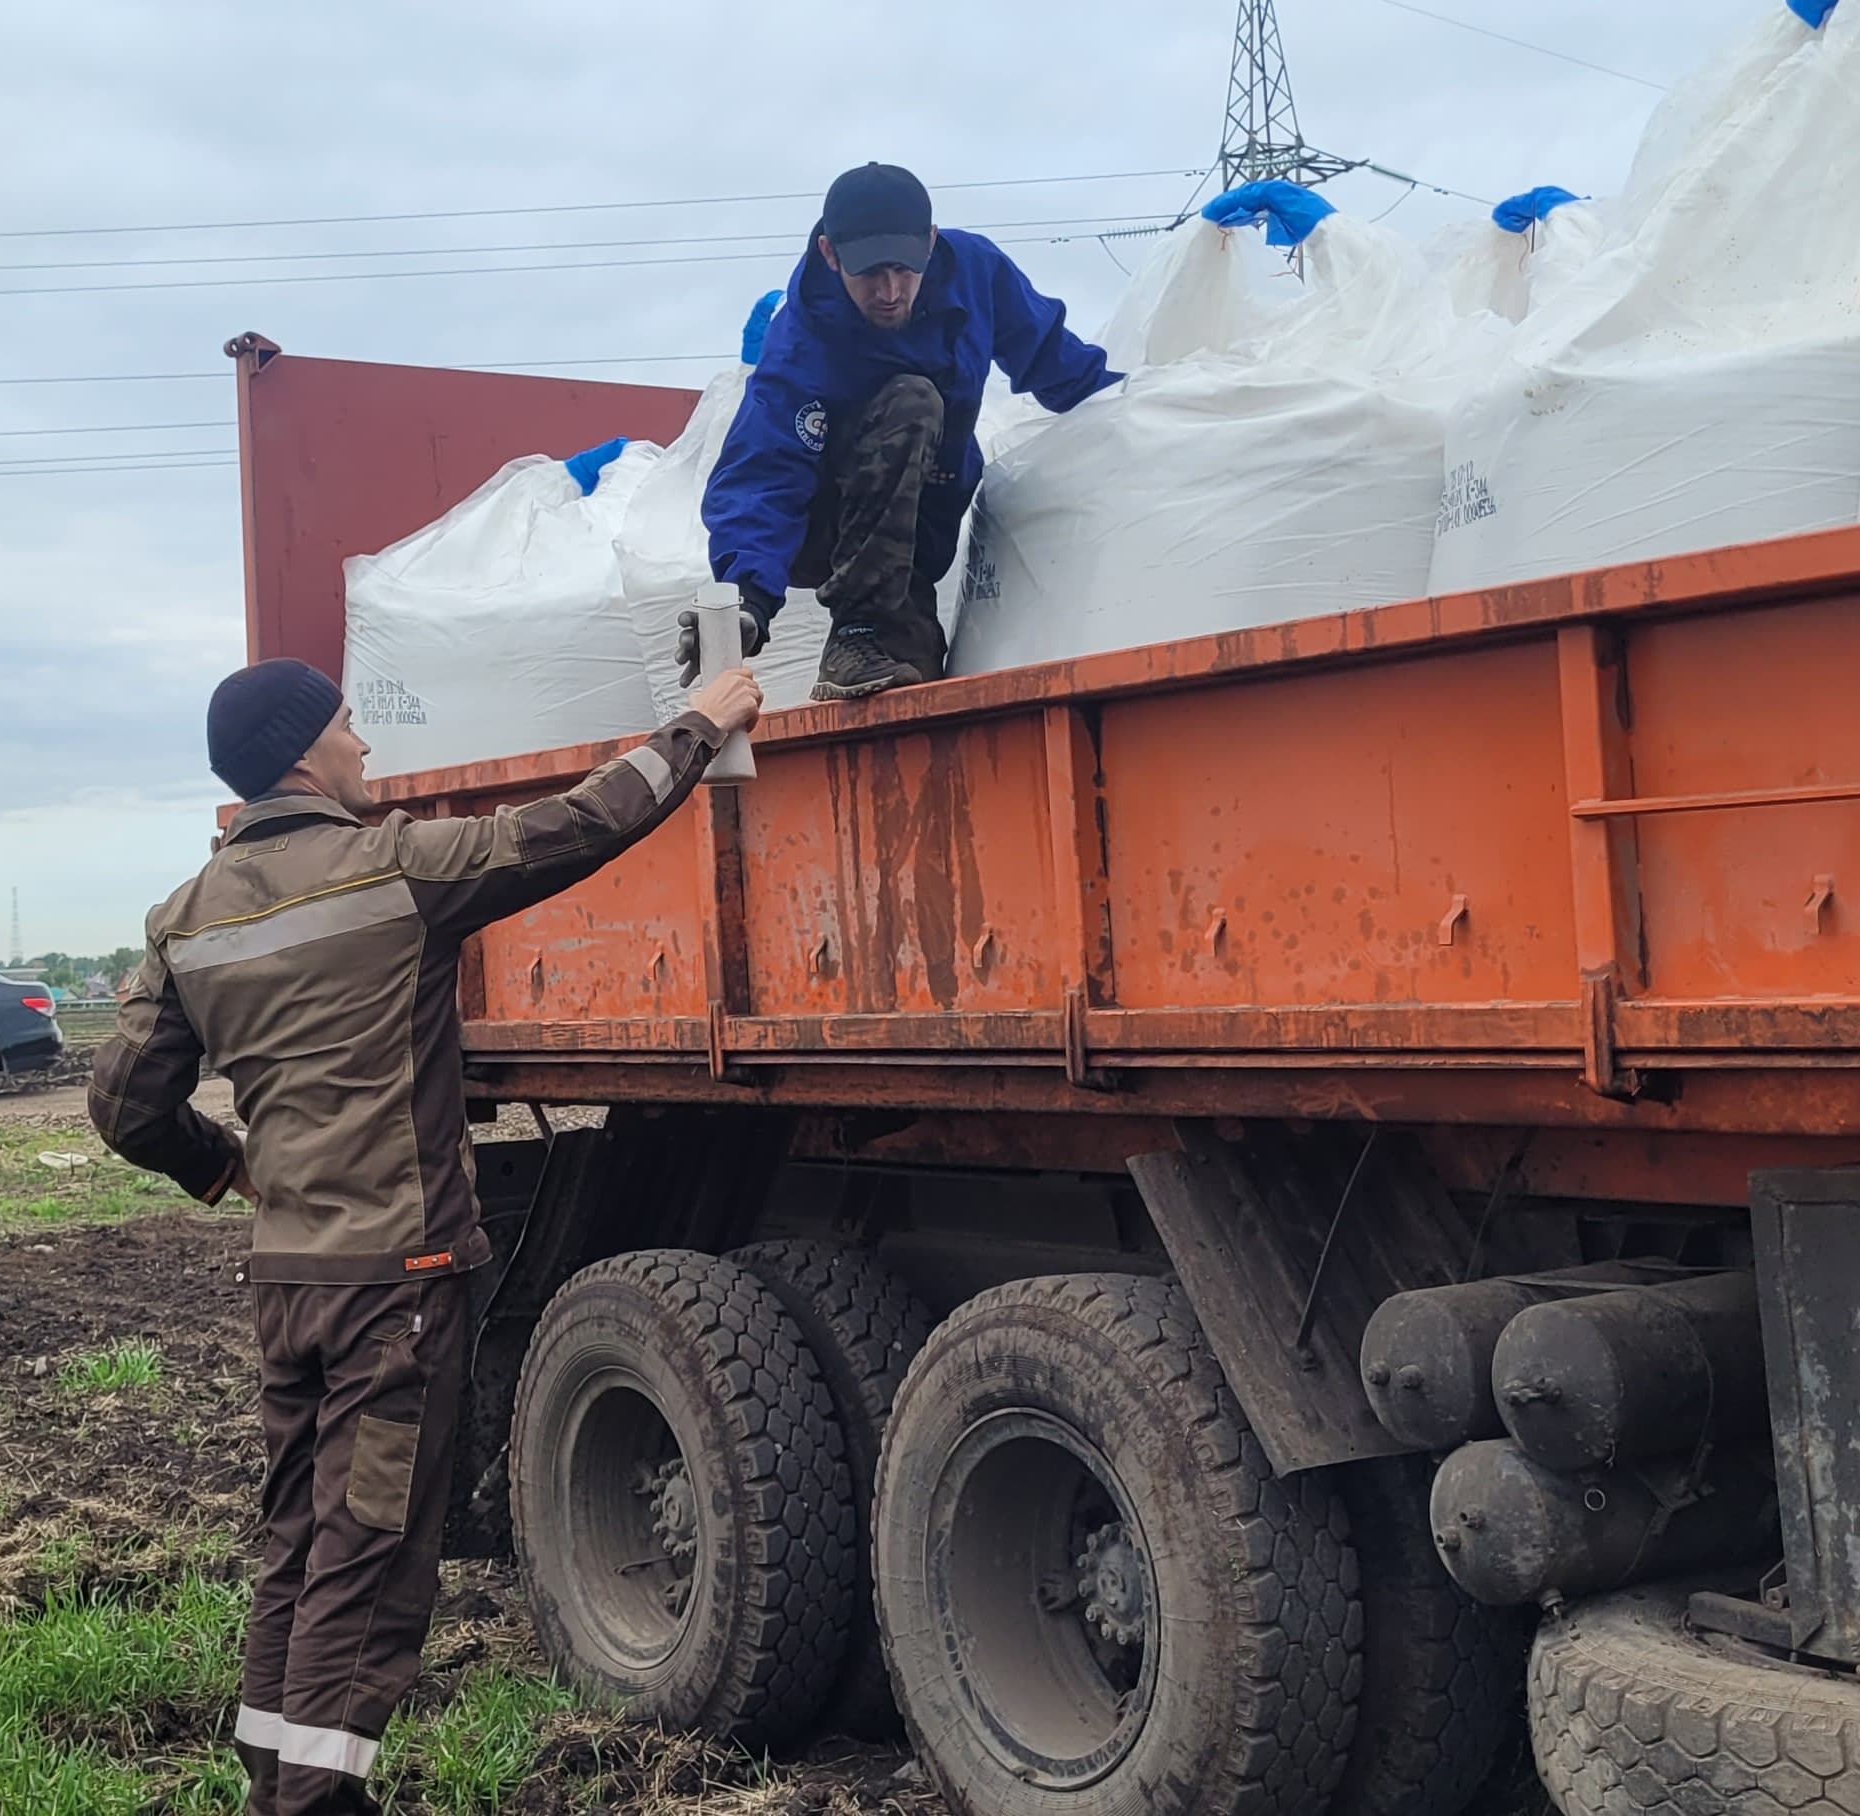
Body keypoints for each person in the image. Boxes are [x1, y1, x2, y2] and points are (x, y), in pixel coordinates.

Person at [86, 654, 767, 1816]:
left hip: (292, 1281)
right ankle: (316, 1802)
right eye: (350, 728)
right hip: (392, 1287)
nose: (365, 748)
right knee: (370, 1557)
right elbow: (576, 827)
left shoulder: (185, 920)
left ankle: (272, 1780)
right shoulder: (393, 869)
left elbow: (123, 1107)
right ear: (305, 752)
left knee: (299, 1538)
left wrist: (233, 1167)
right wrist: (697, 726)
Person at [701, 161, 1123, 700]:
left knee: (912, 678)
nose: (890, 290)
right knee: (914, 400)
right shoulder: (804, 342)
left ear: (930, 242)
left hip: (919, 523)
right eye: (870, 273)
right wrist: (749, 597)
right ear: (830, 255)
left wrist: (1138, 408)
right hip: (821, 523)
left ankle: (886, 642)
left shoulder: (976, 274)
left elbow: (1057, 364)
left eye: (904, 269)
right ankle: (855, 632)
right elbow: (762, 474)